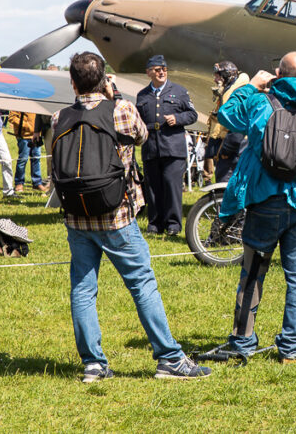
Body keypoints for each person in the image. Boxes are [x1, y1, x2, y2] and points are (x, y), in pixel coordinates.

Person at [54, 51, 209, 382]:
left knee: (82, 289)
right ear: (104, 79)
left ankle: (93, 364)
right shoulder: (121, 110)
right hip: (116, 216)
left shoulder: (59, 117)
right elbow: (141, 135)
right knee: (142, 284)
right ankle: (169, 358)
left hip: (77, 218)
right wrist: (116, 96)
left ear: (72, 82)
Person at [215, 51, 296, 363]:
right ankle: (291, 349)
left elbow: (226, 116)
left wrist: (252, 85)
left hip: (264, 199)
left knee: (252, 273)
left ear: (277, 72)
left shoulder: (259, 101)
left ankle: (242, 341)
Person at [136, 55, 198, 235]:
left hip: (173, 148)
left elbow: (192, 115)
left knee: (172, 186)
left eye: (164, 69)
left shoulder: (179, 91)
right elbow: (138, 119)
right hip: (151, 147)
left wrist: (177, 119)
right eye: (157, 69)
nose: (162, 72)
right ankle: (155, 223)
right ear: (149, 73)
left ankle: (173, 224)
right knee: (153, 187)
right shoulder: (142, 95)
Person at [7, 110, 47, 193]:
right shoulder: (20, 102)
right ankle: (19, 183)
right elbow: (12, 117)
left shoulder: (37, 103)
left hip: (36, 135)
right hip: (23, 136)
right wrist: (26, 125)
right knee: (23, 160)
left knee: (36, 159)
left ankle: (37, 182)